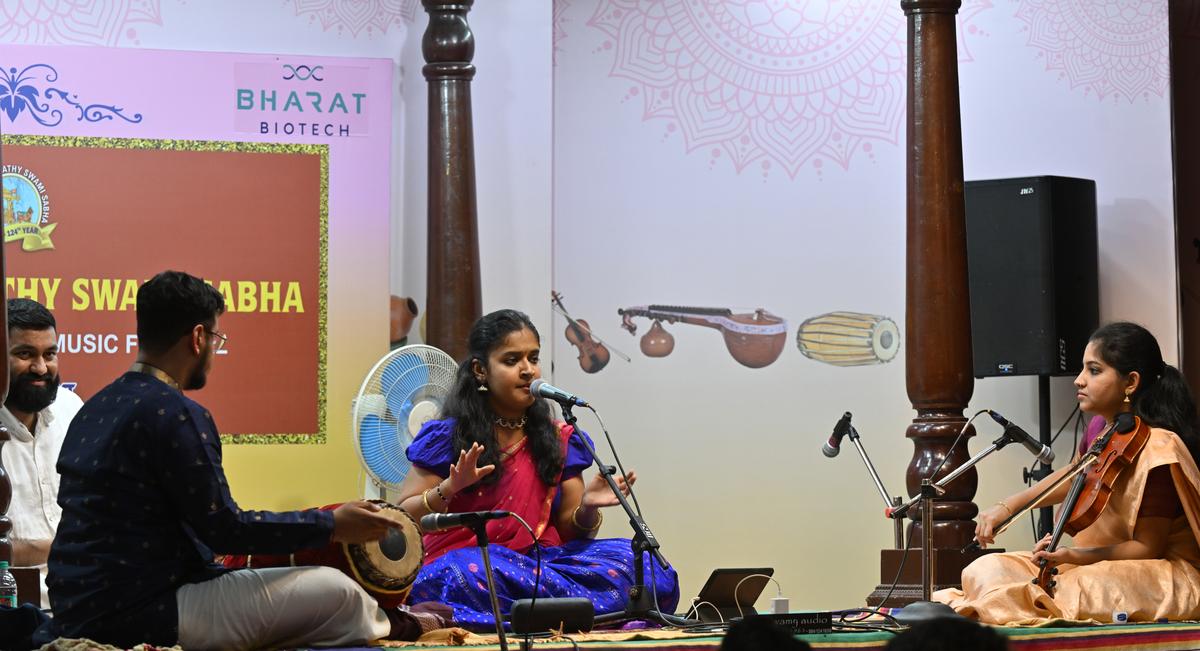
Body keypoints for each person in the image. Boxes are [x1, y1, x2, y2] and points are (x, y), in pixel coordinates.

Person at [38, 271, 443, 650]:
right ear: (197, 337)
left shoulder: (95, 407)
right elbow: (225, 530)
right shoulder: (175, 412)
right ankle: (402, 625)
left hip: (75, 608)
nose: (215, 349)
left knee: (276, 585)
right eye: (216, 336)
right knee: (337, 591)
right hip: (147, 611)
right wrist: (332, 526)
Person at [399, 309, 680, 627]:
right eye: (511, 360)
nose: (527, 370)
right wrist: (449, 488)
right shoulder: (448, 437)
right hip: (471, 563)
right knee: (473, 569)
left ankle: (539, 614)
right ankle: (577, 615)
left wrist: (587, 508)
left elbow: (572, 531)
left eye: (533, 358)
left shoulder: (560, 438)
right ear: (480, 370)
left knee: (639, 562)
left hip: (538, 566)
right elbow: (404, 518)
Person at [935, 322, 1200, 623]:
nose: (1079, 380)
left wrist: (1072, 556)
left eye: (1094, 370)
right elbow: (1075, 475)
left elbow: (1146, 548)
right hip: (1096, 562)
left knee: (1077, 589)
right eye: (1082, 369)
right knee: (985, 569)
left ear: (1131, 382)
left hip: (1160, 572)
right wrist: (1006, 507)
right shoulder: (1101, 429)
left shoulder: (1159, 449)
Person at [0, 298, 83, 608]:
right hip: (13, 612)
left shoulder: (70, 408)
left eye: (50, 354)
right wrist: (66, 547)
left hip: (83, 601)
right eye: (24, 354)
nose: (41, 367)